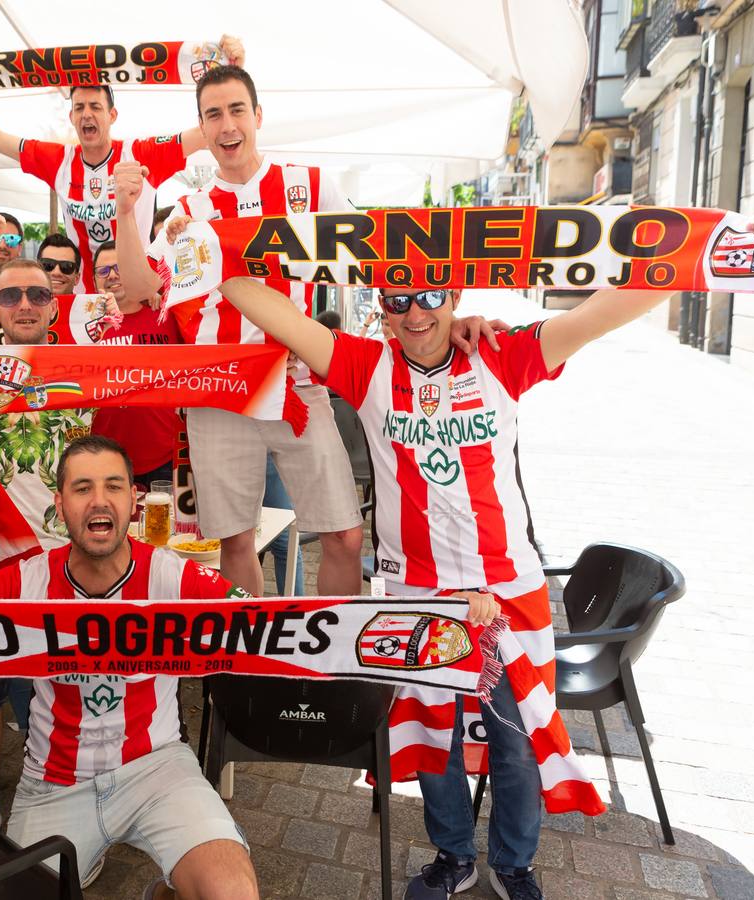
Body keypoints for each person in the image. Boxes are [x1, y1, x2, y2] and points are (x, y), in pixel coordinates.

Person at [213, 215, 754, 900]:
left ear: (454, 295)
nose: (414, 311)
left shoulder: (501, 354)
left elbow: (610, 305)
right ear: (380, 309)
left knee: (516, 741)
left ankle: (514, 864)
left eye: (429, 294)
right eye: (396, 297)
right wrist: (218, 233)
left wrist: (709, 249)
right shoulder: (363, 366)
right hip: (415, 594)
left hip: (508, 588)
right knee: (432, 741)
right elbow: (244, 290)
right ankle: (454, 856)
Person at [118, 65, 500, 600]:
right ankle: (245, 667)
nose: (226, 125)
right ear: (201, 130)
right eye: (213, 115)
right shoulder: (186, 210)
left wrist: (442, 311)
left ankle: (329, 666)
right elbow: (138, 289)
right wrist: (126, 212)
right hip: (218, 389)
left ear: (258, 116)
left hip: (297, 379)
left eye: (236, 111)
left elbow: (379, 260)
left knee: (344, 533)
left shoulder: (309, 185)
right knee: (235, 543)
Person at [0, 435, 259, 900]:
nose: (100, 500)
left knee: (232, 892)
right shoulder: (26, 578)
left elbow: (261, 619)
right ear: (59, 503)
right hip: (53, 781)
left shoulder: (170, 573)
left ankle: (168, 891)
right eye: (82, 488)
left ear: (134, 501)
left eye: (114, 486)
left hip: (157, 768)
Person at [0, 37, 245, 292]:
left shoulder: (141, 153)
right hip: (82, 296)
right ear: (71, 116)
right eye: (79, 107)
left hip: (139, 292)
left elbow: (207, 129)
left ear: (112, 115)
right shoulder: (57, 160)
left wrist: (235, 70)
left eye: (95, 107)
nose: (87, 114)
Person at [0, 258, 92, 826]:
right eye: (11, 296)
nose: (25, 304)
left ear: (56, 304)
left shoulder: (90, 366)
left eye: (37, 293)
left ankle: (53, 800)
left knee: (55, 697)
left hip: (65, 564)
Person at [87, 240, 183, 489]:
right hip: (103, 459)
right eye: (103, 271)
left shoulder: (166, 312)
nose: (113, 276)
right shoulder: (84, 326)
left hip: (163, 457)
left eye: (119, 267)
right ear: (94, 278)